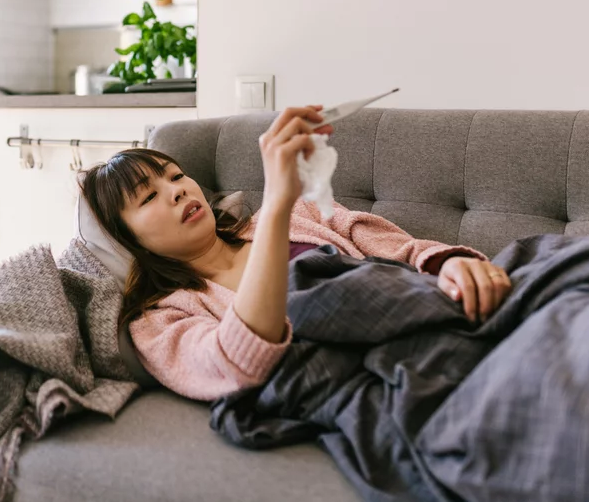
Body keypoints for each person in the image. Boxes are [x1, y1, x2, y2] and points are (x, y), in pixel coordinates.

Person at [79, 106, 512, 401]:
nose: (176, 191)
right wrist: (277, 204)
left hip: (441, 310)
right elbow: (233, 365)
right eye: (148, 196)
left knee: (556, 264)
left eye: (174, 176)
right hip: (398, 366)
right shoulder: (161, 319)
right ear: (126, 239)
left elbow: (408, 252)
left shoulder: (301, 213)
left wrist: (455, 263)